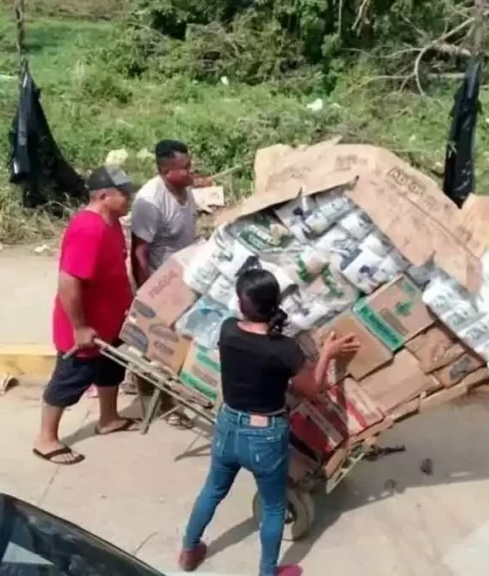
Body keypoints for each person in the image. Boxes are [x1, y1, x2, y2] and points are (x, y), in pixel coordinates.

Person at [178, 269, 359, 576]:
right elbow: (312, 389)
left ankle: (188, 550)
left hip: (228, 425)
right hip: (264, 436)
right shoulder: (284, 349)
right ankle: (267, 572)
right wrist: (327, 353)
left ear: (242, 304)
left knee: (212, 490)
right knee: (274, 506)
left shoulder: (228, 330)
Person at [32, 166, 139, 466]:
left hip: (111, 321)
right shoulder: (87, 228)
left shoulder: (113, 222)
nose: (129, 198)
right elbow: (68, 281)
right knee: (69, 380)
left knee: (112, 370)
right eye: (123, 193)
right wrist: (80, 326)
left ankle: (108, 418)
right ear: (104, 195)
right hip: (84, 329)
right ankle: (46, 438)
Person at [129, 140, 211, 421]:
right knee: (164, 346)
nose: (191, 171)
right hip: (160, 282)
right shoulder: (150, 201)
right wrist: (147, 294)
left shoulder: (185, 190)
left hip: (184, 277)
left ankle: (148, 385)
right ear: (166, 172)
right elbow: (138, 250)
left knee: (179, 339)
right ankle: (166, 405)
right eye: (185, 167)